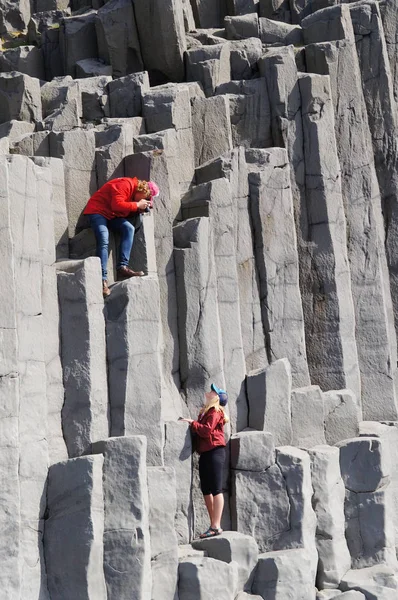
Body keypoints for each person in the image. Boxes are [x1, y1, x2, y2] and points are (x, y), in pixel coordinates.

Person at [83, 177, 159, 297]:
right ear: (144, 191)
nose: (145, 201)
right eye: (146, 198)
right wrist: (137, 204)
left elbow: (124, 209)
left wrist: (139, 209)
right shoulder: (125, 184)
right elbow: (117, 205)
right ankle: (103, 280)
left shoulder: (135, 194)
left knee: (129, 228)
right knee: (104, 238)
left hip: (111, 216)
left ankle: (122, 267)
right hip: (98, 211)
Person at [180, 384, 229, 538]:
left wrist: (192, 423)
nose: (209, 392)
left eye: (213, 391)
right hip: (206, 453)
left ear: (216, 397)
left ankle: (216, 526)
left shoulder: (215, 411)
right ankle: (213, 524)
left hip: (215, 452)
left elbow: (206, 430)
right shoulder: (206, 412)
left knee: (216, 489)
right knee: (206, 489)